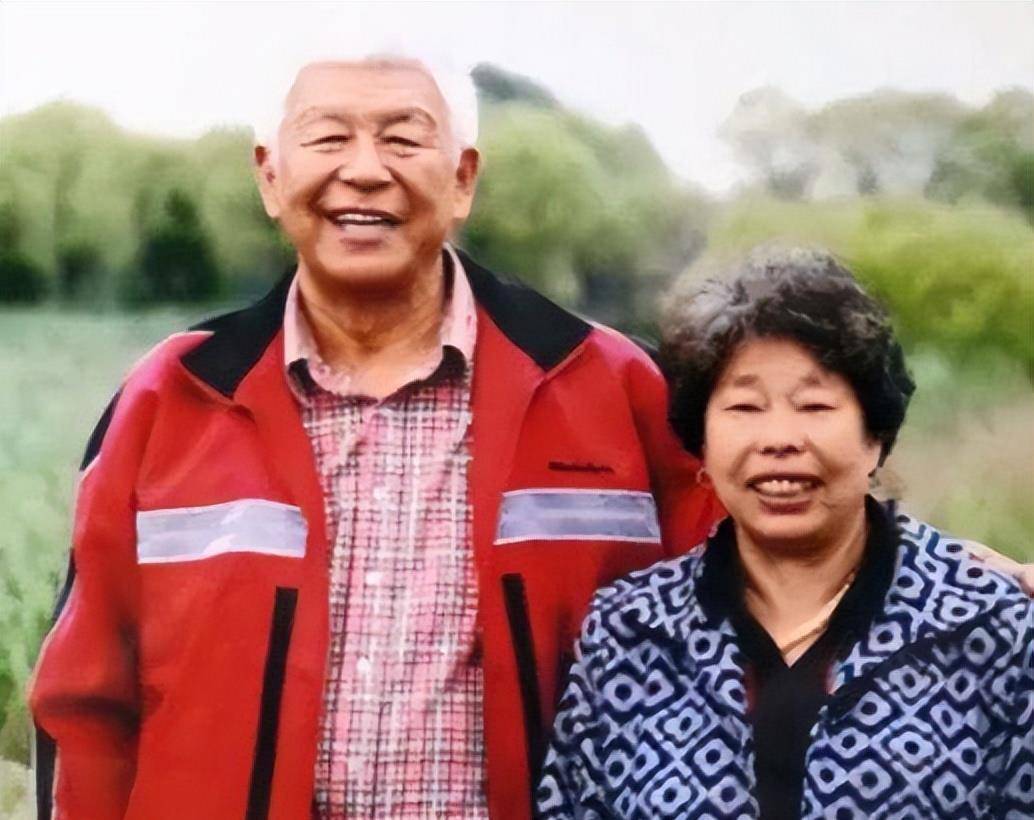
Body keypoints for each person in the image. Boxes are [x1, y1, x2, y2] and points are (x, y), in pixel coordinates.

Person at [28, 52, 722, 819]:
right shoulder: (173, 398)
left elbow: (739, 651)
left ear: (463, 179)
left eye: (402, 139)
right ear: (269, 176)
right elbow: (86, 706)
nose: (363, 170)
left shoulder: (615, 390)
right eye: (328, 138)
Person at [537, 247, 1034, 819]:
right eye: (745, 407)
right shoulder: (630, 631)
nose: (779, 439)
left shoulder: (987, 622)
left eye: (814, 405)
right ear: (701, 443)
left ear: (875, 437)